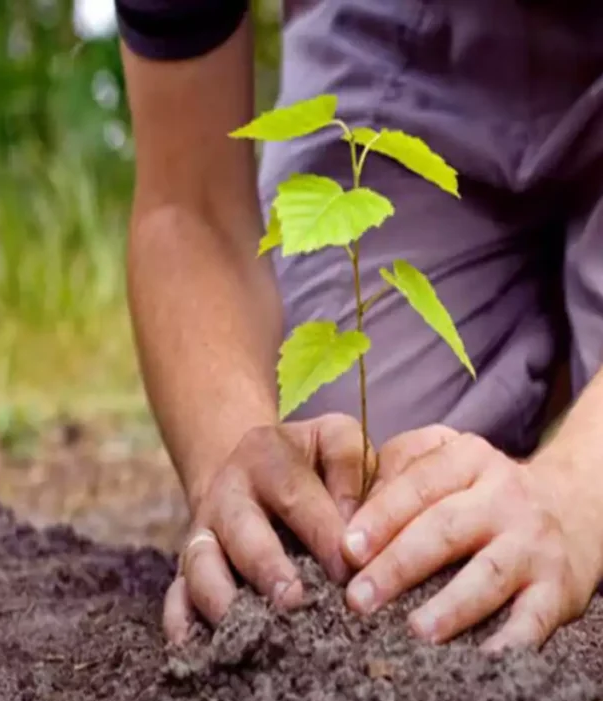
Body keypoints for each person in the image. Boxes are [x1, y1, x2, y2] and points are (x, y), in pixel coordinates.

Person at [114, 0, 603, 651]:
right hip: (406, 39)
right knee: (355, 498)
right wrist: (229, 459)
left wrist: (574, 488)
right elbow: (188, 205)